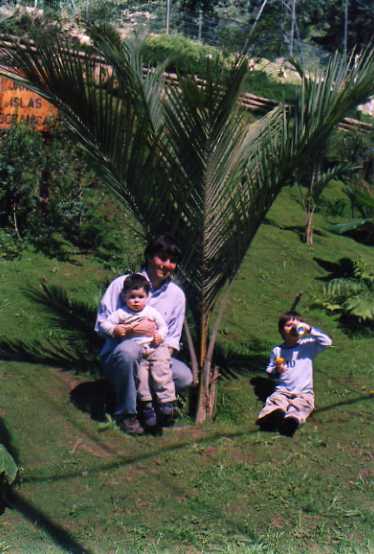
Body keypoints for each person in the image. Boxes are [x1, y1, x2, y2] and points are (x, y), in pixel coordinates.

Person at [95, 234, 192, 435]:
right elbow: (101, 324)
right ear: (149, 256)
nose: (166, 265)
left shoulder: (176, 295)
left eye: (172, 261)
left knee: (184, 377)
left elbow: (173, 337)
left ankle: (152, 408)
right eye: (162, 258)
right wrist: (129, 331)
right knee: (130, 352)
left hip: (156, 355)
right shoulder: (123, 284)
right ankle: (126, 414)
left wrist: (157, 359)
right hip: (119, 355)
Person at [100, 273, 176, 429]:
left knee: (162, 368)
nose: (136, 301)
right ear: (124, 296)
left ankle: (166, 402)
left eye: (140, 297)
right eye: (132, 296)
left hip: (154, 347)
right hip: (137, 351)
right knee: (141, 378)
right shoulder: (121, 313)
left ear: (147, 297)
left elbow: (163, 327)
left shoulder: (151, 312)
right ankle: (146, 406)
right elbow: (104, 325)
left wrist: (160, 336)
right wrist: (115, 329)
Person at [256, 311, 332, 436]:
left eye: (296, 325)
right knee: (276, 401)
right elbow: (269, 370)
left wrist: (309, 328)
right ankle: (273, 416)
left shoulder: (307, 346)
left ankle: (291, 421)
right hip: (283, 390)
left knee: (302, 406)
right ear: (281, 331)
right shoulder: (278, 350)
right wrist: (277, 370)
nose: (293, 328)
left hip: (304, 392)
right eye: (289, 325)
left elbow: (327, 342)